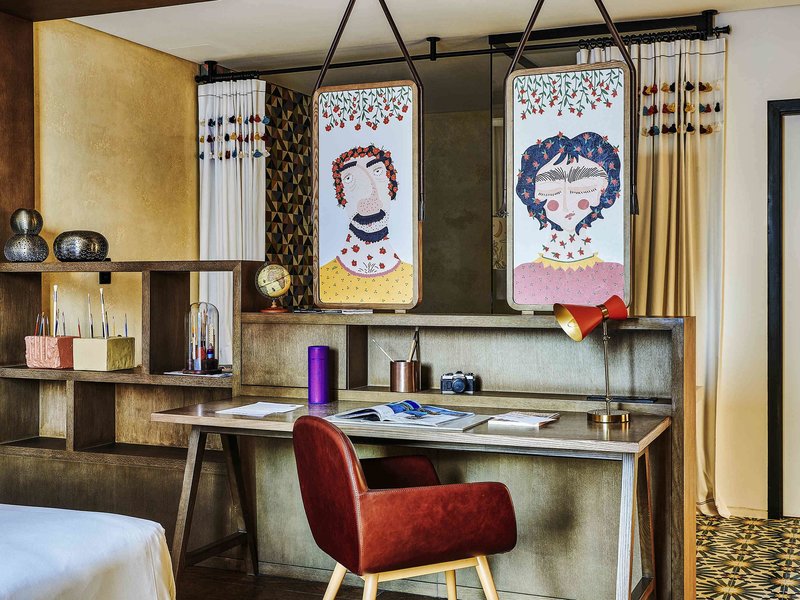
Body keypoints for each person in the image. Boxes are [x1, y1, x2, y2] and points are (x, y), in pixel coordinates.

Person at [513, 131, 625, 305]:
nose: (566, 206)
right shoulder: (523, 275)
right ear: (533, 195)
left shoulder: (615, 274)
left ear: (603, 191)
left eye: (582, 190)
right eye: (551, 192)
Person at [319, 144, 413, 304]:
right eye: (349, 179)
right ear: (340, 195)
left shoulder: (409, 278)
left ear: (392, 185)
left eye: (378, 172)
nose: (369, 195)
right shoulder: (324, 278)